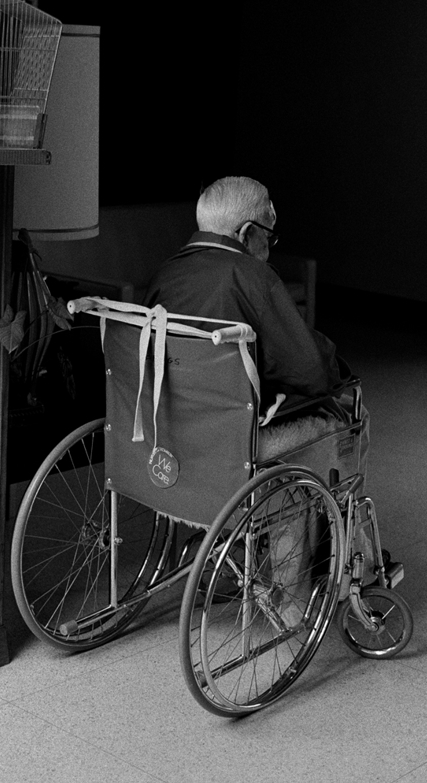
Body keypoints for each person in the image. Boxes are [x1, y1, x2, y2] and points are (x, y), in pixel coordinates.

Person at [143, 175, 371, 624]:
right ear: (248, 234)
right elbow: (310, 371)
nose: (270, 244)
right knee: (339, 422)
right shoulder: (252, 276)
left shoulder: (166, 273)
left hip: (167, 435)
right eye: (270, 234)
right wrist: (334, 364)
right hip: (235, 446)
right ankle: (310, 586)